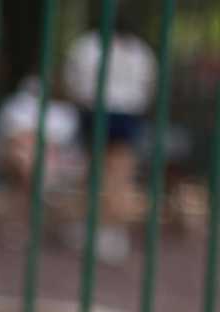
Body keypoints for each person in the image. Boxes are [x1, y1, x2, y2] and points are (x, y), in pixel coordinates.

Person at [64, 16, 158, 258]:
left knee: (98, 170)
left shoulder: (88, 45)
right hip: (122, 112)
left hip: (100, 110)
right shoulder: (139, 50)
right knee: (116, 173)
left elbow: (73, 79)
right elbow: (148, 87)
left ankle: (100, 227)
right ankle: (107, 229)